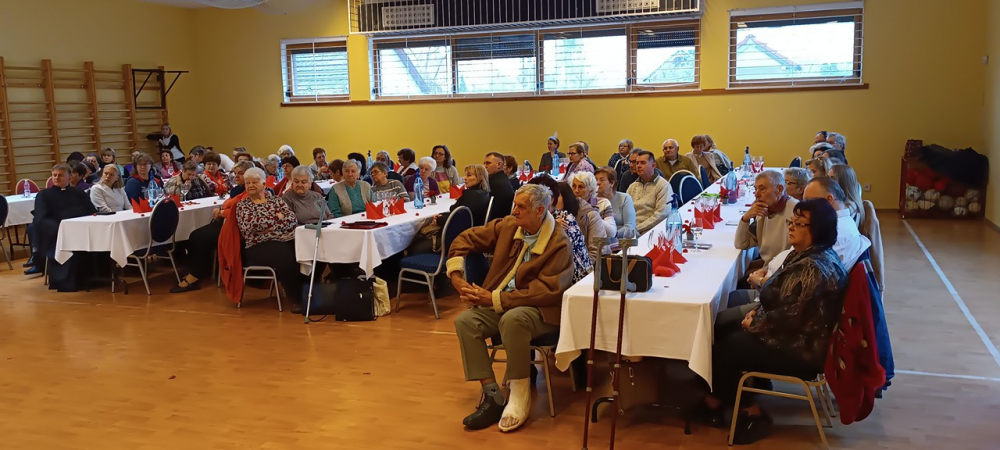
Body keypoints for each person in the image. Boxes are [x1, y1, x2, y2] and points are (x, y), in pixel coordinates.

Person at [702, 199, 848, 444]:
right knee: (722, 329)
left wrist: (754, 323)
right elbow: (780, 299)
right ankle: (725, 397)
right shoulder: (806, 255)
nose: (791, 226)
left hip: (800, 349)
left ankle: (751, 413)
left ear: (818, 229)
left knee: (721, 349)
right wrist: (756, 312)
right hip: (794, 335)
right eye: (792, 221)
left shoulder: (813, 267)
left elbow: (791, 318)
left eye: (799, 223)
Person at [449, 184, 574, 432]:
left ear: (540, 211)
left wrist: (495, 299)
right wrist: (456, 276)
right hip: (503, 303)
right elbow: (464, 238)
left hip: (542, 310)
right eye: (515, 205)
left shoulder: (558, 241)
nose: (514, 210)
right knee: (466, 322)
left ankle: (519, 394)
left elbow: (546, 291)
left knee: (513, 319)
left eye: (521, 207)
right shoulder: (509, 226)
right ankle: (492, 395)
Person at [170, 162, 250, 294]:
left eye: (240, 174)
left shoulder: (248, 191)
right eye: (235, 173)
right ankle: (196, 269)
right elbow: (229, 205)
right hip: (227, 223)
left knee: (198, 237)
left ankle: (195, 275)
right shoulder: (238, 190)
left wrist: (222, 212)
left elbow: (240, 211)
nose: (236, 176)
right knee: (195, 234)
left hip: (236, 228)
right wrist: (221, 210)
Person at [236, 168, 307, 313]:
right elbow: (250, 226)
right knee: (284, 255)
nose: (251, 185)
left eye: (254, 182)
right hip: (257, 245)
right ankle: (296, 299)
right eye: (248, 183)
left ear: (264, 184)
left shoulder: (276, 200)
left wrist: (270, 227)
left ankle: (310, 292)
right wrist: (277, 218)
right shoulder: (243, 205)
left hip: (284, 239)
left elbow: (292, 220)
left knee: (307, 249)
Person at [24, 164, 97, 275]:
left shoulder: (79, 193)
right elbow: (41, 217)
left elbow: (91, 212)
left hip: (81, 230)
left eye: (61, 175)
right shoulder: (44, 195)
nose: (57, 177)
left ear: (70, 177)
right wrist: (62, 228)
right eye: (54, 175)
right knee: (35, 227)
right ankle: (39, 261)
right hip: (56, 231)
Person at [528, 176, 592, 283]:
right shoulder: (543, 220)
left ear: (551, 199)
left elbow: (553, 261)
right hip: (557, 278)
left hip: (574, 282)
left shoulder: (565, 221)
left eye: (533, 199)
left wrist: (548, 227)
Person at [829, 164, 883, 291]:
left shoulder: (854, 209)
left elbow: (876, 252)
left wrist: (880, 286)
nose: (828, 182)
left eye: (832, 178)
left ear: (843, 182)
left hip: (852, 267)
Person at [734, 170, 798, 266]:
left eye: (762, 189)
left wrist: (766, 271)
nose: (757, 194)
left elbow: (797, 256)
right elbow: (741, 244)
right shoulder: (763, 211)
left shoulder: (796, 211)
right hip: (769, 266)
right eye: (755, 189)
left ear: (780, 189)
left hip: (785, 269)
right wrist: (746, 218)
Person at [627, 150, 672, 234]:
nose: (638, 166)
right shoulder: (632, 186)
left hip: (651, 230)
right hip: (631, 229)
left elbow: (661, 215)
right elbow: (625, 211)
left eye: (643, 163)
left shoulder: (663, 185)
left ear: (653, 165)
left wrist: (636, 229)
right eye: (637, 163)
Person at [570, 171, 611, 259]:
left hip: (598, 254)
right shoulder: (570, 207)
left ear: (591, 190)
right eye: (574, 186)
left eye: (581, 187)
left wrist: (593, 216)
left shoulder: (602, 203)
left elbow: (612, 232)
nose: (576, 191)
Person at [594, 167, 637, 240]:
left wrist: (613, 235)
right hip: (598, 240)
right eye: (596, 180)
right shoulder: (592, 200)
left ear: (612, 183)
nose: (598, 182)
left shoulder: (624, 198)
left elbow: (630, 226)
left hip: (622, 240)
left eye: (602, 180)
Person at [484, 152, 514, 221]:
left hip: (495, 221)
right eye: (484, 163)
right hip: (504, 219)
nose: (485, 166)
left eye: (488, 163)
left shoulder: (494, 183)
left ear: (499, 165)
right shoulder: (503, 178)